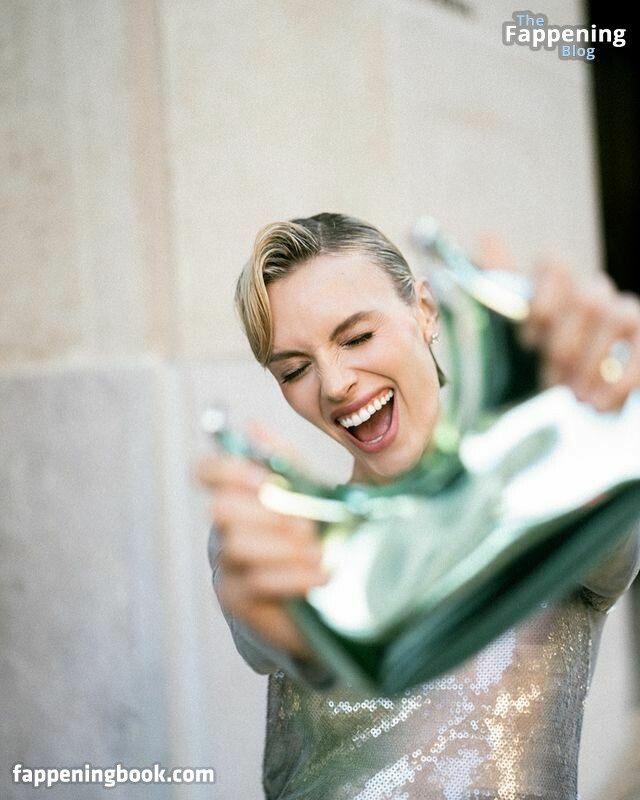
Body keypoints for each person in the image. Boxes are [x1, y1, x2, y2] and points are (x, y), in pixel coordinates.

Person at [196, 213, 640, 800]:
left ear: (425, 311)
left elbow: (610, 520)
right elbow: (273, 635)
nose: (334, 384)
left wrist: (605, 418)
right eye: (295, 369)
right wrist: (314, 628)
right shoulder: (296, 537)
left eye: (356, 337)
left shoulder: (549, 497)